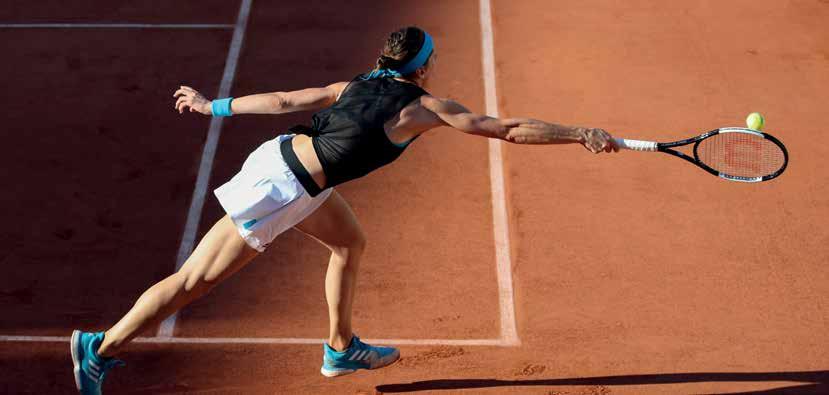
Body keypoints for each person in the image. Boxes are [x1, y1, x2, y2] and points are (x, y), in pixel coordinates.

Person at [70, 26, 617, 394]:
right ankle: (101, 346)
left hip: (287, 163)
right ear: (424, 67)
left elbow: (285, 102)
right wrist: (579, 132)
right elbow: (508, 129)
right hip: (283, 191)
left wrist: (213, 105)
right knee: (194, 281)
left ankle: (340, 348)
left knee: (349, 242)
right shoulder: (426, 108)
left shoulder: (354, 84)